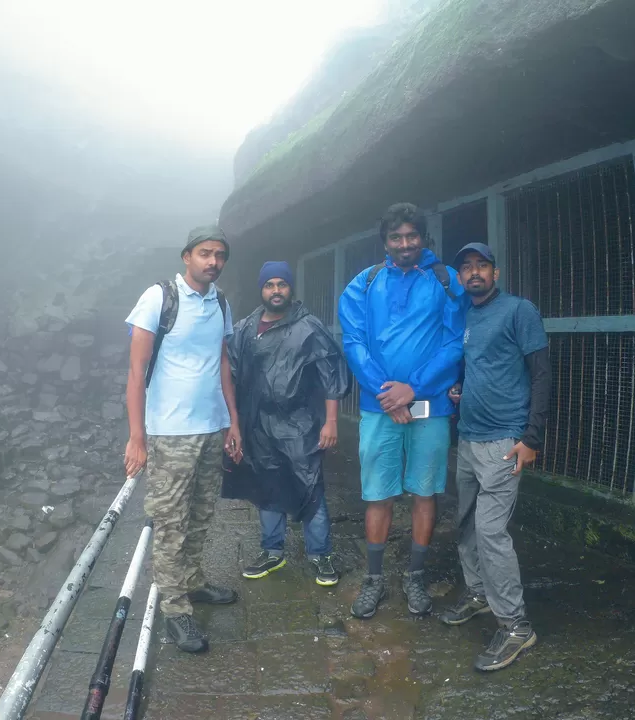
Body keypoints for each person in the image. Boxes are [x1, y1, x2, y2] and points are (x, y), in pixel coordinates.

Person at [338, 202, 465, 618]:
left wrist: (415, 388)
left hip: (430, 405)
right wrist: (386, 394)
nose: (405, 244)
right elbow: (354, 342)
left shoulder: (446, 281)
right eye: (396, 237)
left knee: (425, 492)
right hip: (380, 409)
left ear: (424, 239)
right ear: (385, 242)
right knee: (379, 494)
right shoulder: (364, 284)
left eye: (412, 236)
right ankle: (374, 580)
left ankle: (414, 576)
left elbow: (455, 342)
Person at [123, 225, 243, 654]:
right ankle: (175, 612)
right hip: (169, 433)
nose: (213, 262)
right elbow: (136, 372)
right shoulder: (159, 298)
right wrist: (137, 438)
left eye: (220, 255)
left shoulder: (221, 302)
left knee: (201, 515)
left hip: (211, 428)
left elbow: (223, 363)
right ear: (186, 256)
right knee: (171, 524)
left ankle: (192, 582)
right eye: (205, 253)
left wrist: (233, 422)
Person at [440, 242, 551, 672]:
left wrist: (532, 437)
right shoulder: (466, 315)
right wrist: (460, 389)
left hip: (506, 440)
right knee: (466, 523)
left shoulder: (519, 311)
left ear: (496, 272)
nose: (473, 273)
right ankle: (479, 594)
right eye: (466, 267)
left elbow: (541, 374)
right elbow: (479, 364)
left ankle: (517, 626)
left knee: (490, 530)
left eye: (481, 266)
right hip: (468, 437)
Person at [223, 261, 351, 587]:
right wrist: (232, 424)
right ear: (261, 289)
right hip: (258, 423)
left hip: (299, 423)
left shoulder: (308, 327)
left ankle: (320, 554)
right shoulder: (245, 329)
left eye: (282, 284)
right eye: (270, 285)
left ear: (290, 289)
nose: (276, 291)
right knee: (268, 486)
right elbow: (227, 371)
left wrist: (331, 422)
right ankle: (272, 551)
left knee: (309, 486)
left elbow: (331, 375)